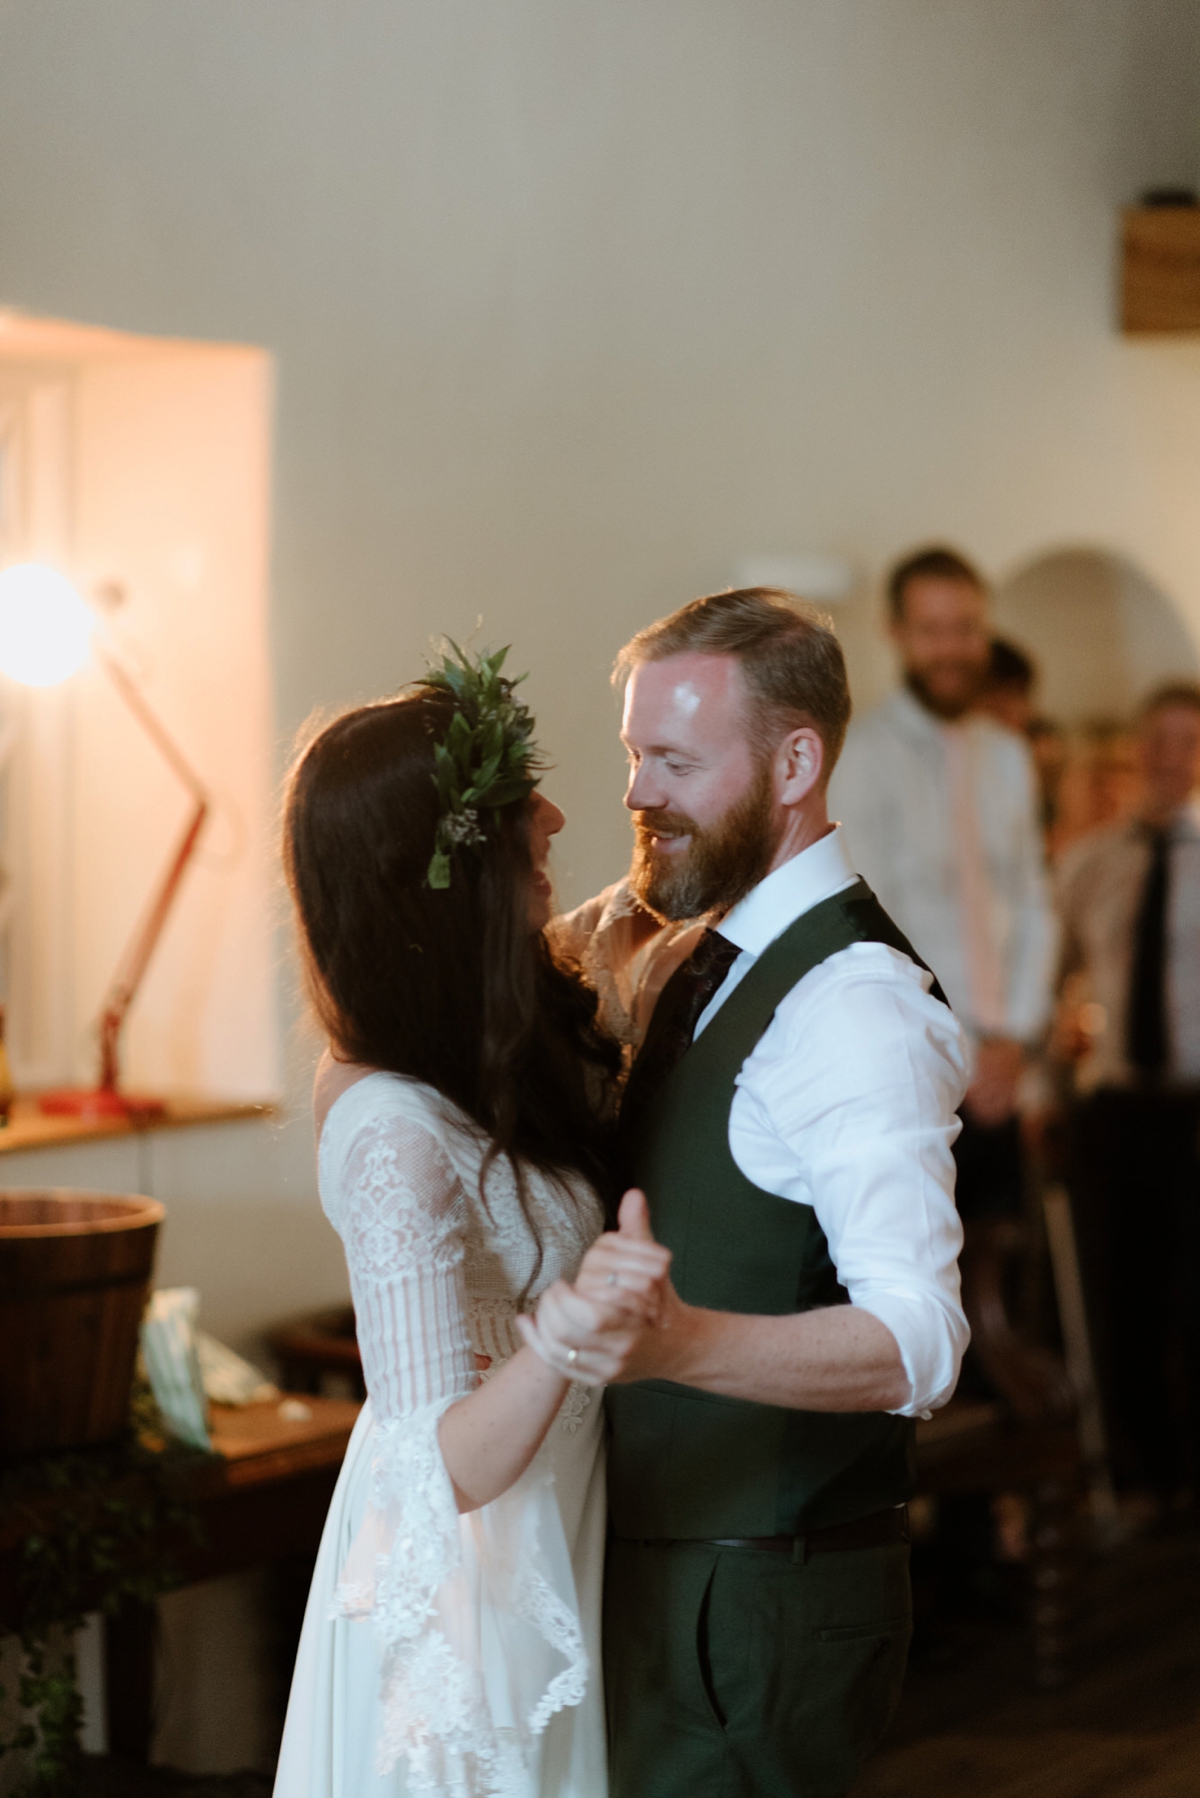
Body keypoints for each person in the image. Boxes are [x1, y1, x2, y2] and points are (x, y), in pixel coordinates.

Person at [526, 589, 970, 1798]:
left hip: (760, 1596)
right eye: (632, 755)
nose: (635, 795)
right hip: (670, 1574)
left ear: (795, 761)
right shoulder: (698, 949)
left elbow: (920, 1342)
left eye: (672, 760)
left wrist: (679, 1343)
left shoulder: (854, 1003)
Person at [273, 648, 668, 1798]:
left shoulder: (485, 1033)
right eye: (513, 810)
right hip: (475, 1590)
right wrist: (570, 1323)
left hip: (564, 1514)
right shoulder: (393, 1127)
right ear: (435, 875)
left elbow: (618, 924)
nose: (553, 815)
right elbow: (430, 1469)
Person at [829, 546, 1057, 1223]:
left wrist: (1012, 1039)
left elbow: (1032, 905)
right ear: (897, 633)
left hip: (1004, 1066)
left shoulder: (1011, 758)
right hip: (912, 1065)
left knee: (998, 1277)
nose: (952, 649)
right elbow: (864, 923)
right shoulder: (860, 758)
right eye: (932, 631)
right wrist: (957, 1047)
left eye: (965, 628)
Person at [1057, 682, 1200, 1501]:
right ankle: (1143, 1474)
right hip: (1117, 1108)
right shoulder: (1090, 862)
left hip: (1195, 1105)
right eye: (1156, 740)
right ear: (1136, 750)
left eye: (1186, 742)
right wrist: (1046, 1085)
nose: (1168, 758)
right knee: (1125, 1291)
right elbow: (1050, 980)